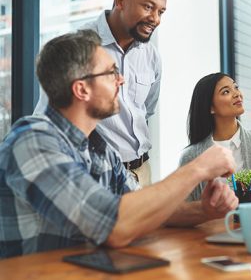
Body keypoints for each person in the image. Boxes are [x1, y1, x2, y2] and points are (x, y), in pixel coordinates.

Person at [0, 30, 238, 258]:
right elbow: (114, 225)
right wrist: (197, 169)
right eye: (111, 72)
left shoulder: (100, 148)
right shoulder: (33, 140)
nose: (121, 80)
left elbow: (142, 210)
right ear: (81, 88)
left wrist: (204, 210)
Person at [35, 0, 167, 186]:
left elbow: (147, 110)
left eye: (161, 11)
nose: (155, 19)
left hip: (142, 171)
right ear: (120, 1)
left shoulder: (151, 55)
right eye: (148, 7)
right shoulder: (81, 45)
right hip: (95, 174)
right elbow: (48, 116)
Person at [179, 73, 251, 204]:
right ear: (211, 107)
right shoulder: (190, 156)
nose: (237, 94)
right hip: (211, 224)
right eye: (226, 91)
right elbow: (185, 205)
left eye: (236, 87)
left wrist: (243, 203)